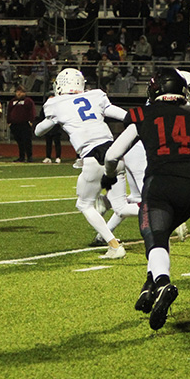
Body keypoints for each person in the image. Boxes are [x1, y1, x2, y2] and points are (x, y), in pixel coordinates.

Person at [101, 68, 190, 331]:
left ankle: (162, 282)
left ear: (154, 91)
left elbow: (112, 155)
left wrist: (109, 177)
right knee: (160, 234)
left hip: (159, 186)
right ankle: (150, 283)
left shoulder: (143, 114)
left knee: (154, 236)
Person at [35, 68, 133, 259]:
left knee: (84, 204)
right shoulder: (95, 96)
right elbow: (123, 116)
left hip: (93, 158)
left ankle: (114, 246)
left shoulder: (55, 104)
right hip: (116, 155)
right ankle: (160, 213)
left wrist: (49, 122)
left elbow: (39, 131)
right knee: (120, 206)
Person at [7, 85, 36, 163]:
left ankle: (29, 157)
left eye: (21, 92)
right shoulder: (12, 101)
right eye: (17, 92)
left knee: (27, 141)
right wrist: (9, 122)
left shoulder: (28, 101)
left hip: (25, 124)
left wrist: (31, 121)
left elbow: (32, 111)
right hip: (15, 124)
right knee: (19, 142)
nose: (19, 94)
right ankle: (21, 157)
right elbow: (9, 111)